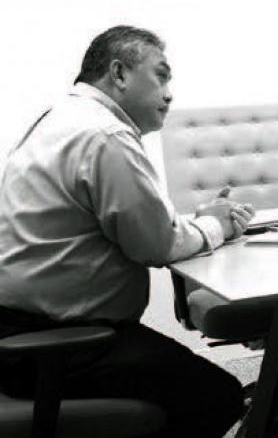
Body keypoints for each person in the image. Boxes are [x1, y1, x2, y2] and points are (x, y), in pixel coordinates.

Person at [0, 26, 251, 438]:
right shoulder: (105, 135)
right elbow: (155, 245)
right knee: (217, 396)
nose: (170, 94)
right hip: (63, 346)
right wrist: (216, 225)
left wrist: (197, 221)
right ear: (118, 73)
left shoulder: (57, 119)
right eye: (161, 76)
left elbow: (133, 225)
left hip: (19, 336)